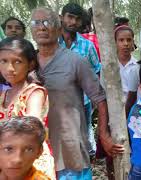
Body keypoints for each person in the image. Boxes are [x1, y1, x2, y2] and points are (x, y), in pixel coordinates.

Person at [30, 7, 123, 179]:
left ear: (58, 27)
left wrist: (103, 135)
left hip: (70, 151)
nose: (41, 27)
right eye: (36, 22)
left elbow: (100, 98)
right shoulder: (27, 64)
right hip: (36, 153)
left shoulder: (75, 62)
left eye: (47, 22)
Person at [0, 37, 55, 179]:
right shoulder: (3, 95)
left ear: (30, 64)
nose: (9, 68)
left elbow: (31, 128)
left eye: (17, 62)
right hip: (8, 163)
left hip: (30, 163)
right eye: (3, 61)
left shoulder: (34, 93)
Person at [58, 2, 101, 157]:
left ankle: (88, 159)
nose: (73, 22)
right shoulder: (50, 45)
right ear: (61, 18)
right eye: (70, 17)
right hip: (57, 100)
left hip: (82, 100)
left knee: (85, 131)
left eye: (77, 19)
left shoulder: (87, 46)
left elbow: (97, 71)